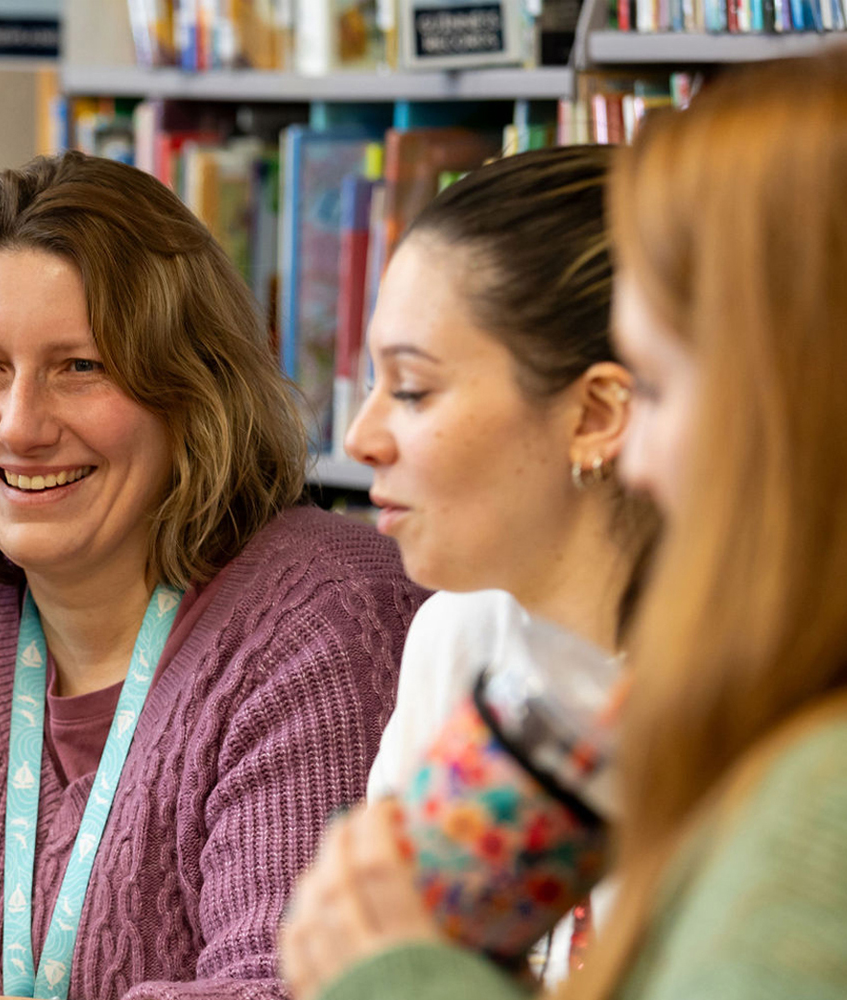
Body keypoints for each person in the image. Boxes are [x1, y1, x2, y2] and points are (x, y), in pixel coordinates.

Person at [279, 52, 847, 1000]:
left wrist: (405, 977)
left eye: (658, 389)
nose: (647, 456)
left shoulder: (809, 790)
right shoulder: (474, 643)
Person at [0, 151, 427, 1000]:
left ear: (192, 388)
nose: (22, 425)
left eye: (82, 366)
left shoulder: (323, 618)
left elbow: (287, 987)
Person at [350, 146, 657, 982]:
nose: (360, 439)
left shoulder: (767, 715)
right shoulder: (458, 635)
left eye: (411, 390)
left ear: (595, 413)